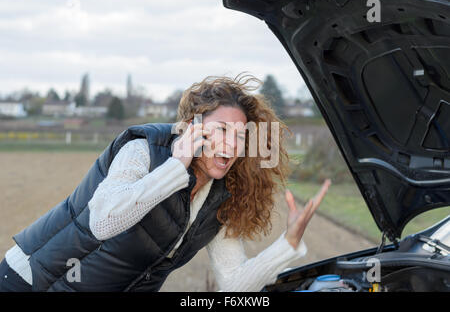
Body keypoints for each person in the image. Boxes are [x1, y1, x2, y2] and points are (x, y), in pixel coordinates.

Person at [0, 74, 330, 292]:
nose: (231, 146)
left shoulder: (221, 197)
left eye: (242, 137)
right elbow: (102, 219)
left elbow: (232, 284)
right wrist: (175, 167)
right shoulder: (143, 149)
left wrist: (287, 244)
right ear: (192, 127)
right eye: (222, 131)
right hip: (31, 280)